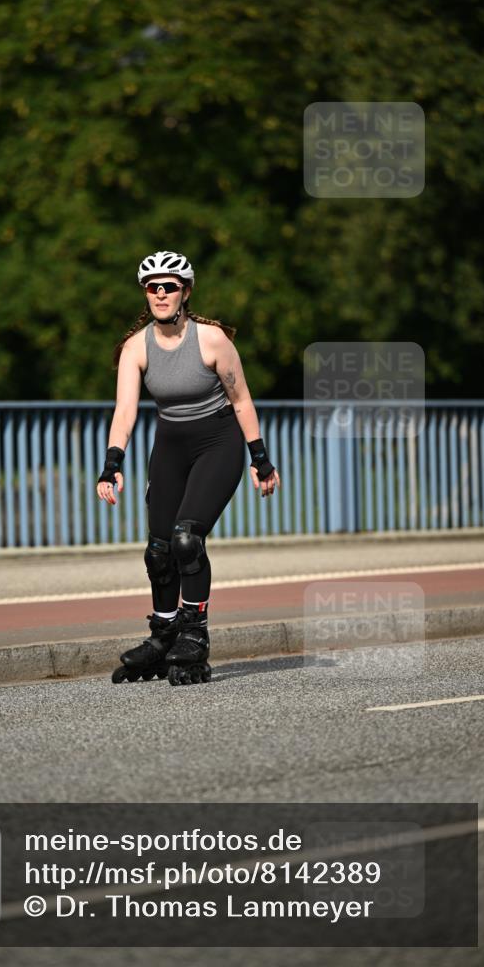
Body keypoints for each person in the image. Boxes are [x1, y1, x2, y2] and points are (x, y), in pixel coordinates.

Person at [97, 250, 280, 686]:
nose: (161, 293)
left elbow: (241, 400)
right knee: (158, 551)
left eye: (170, 286)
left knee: (186, 539)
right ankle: (163, 638)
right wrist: (111, 464)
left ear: (186, 292)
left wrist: (259, 458)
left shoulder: (212, 340)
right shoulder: (135, 347)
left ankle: (194, 639)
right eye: (152, 286)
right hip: (170, 446)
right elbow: (125, 411)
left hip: (218, 443)